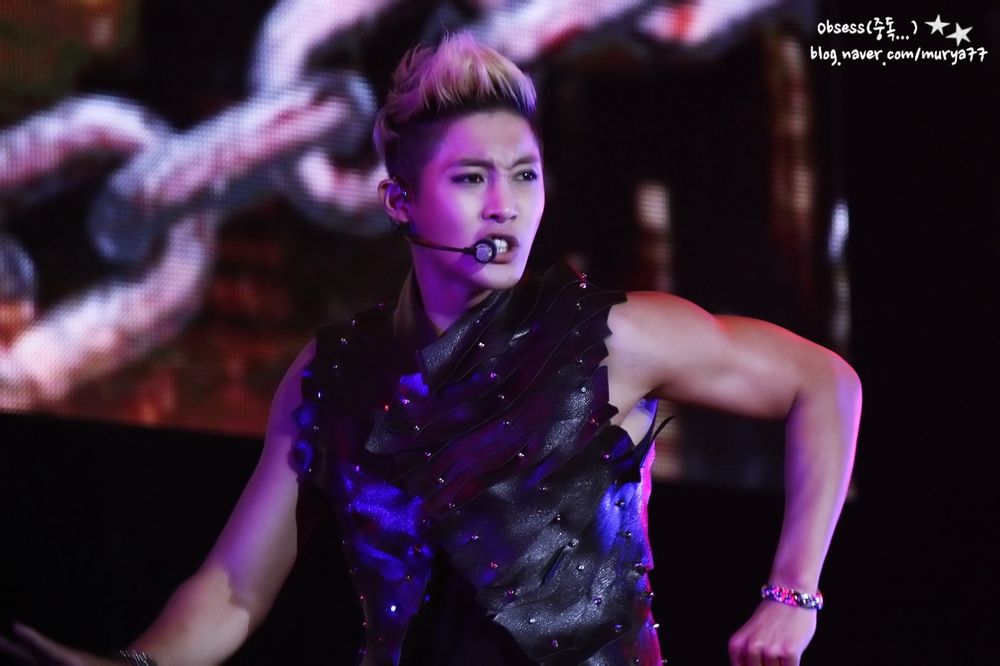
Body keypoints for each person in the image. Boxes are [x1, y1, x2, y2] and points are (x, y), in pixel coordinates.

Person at [0, 32, 860, 666]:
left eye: (524, 175)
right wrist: (134, 665)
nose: (505, 205)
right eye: (471, 178)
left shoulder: (609, 338)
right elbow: (235, 588)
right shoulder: (334, 377)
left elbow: (824, 382)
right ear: (399, 202)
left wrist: (793, 593)